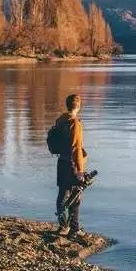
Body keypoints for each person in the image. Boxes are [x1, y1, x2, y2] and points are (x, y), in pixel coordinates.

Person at [54, 94, 88, 239]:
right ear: (78, 106)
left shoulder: (61, 120)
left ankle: (63, 226)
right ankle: (74, 229)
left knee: (63, 194)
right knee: (76, 196)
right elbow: (76, 148)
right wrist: (80, 171)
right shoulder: (75, 123)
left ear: (67, 105)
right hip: (72, 164)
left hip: (61, 162)